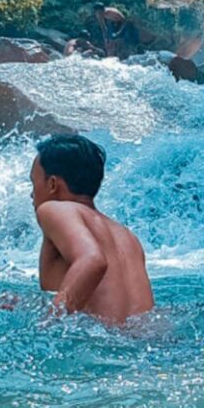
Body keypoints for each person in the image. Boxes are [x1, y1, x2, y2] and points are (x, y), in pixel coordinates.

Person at [30, 134, 155, 323]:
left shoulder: (53, 209)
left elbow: (92, 260)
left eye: (33, 183)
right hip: (149, 340)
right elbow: (108, 303)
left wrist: (50, 320)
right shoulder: (125, 235)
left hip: (102, 346)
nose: (32, 194)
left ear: (52, 184)